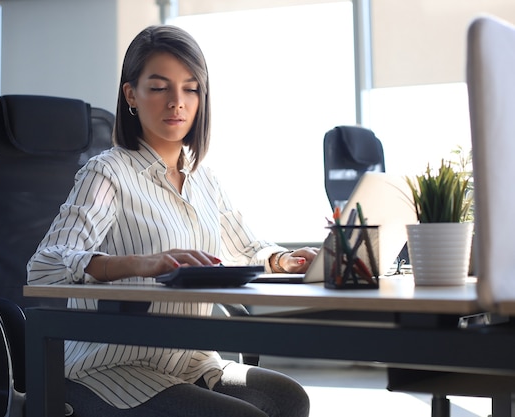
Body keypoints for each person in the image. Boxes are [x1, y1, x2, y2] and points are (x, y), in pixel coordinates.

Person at [27, 24, 316, 417]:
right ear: (132, 94)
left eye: (190, 88)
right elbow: (44, 268)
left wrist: (285, 261)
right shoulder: (108, 173)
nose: (177, 102)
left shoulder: (203, 177)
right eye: (160, 87)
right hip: (109, 366)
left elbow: (245, 249)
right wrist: (143, 263)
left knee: (288, 398)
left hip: (189, 360)